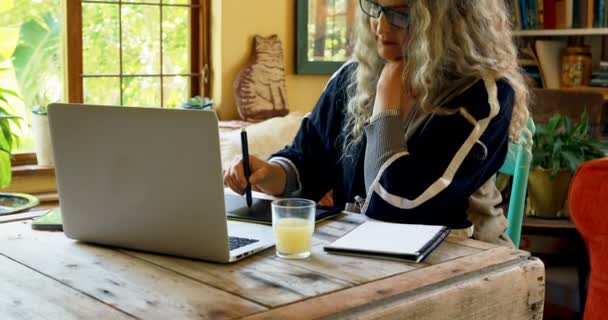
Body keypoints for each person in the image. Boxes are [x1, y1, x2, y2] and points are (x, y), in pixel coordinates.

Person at [224, 0, 531, 247]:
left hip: (467, 262)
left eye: (400, 15)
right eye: (376, 8)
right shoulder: (351, 79)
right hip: (367, 255)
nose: (381, 26)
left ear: (447, 23)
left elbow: (397, 206)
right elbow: (309, 160)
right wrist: (269, 173)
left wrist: (386, 97)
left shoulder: (480, 96)